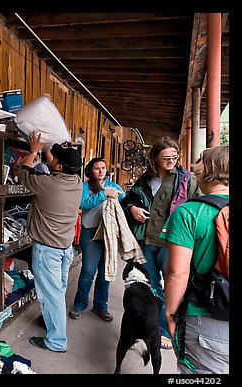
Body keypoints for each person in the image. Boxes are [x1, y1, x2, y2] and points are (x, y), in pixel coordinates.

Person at [121, 136, 199, 350]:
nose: (171, 160)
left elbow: (197, 206)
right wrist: (132, 209)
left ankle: (167, 331)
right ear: (154, 158)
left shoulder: (186, 180)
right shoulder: (146, 178)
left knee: (174, 287)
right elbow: (128, 199)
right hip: (146, 239)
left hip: (172, 242)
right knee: (151, 287)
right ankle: (151, 328)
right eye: (166, 157)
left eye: (174, 156)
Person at [161, 145, 229, 374]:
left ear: (208, 169)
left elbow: (177, 273)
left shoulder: (189, 212)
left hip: (206, 317)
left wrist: (170, 315)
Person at [12, 132, 82, 353]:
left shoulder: (47, 184)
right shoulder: (77, 182)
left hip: (47, 251)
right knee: (57, 292)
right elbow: (51, 165)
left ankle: (56, 341)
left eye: (55, 158)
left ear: (59, 167)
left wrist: (33, 150)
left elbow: (20, 171)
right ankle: (54, 324)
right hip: (64, 248)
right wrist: (48, 148)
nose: (51, 158)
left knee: (51, 295)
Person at [69, 157, 126, 322]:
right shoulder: (85, 187)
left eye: (103, 168)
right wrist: (103, 194)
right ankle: (80, 304)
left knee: (105, 271)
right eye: (97, 168)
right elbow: (83, 204)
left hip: (109, 232)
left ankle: (101, 305)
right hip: (90, 231)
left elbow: (124, 206)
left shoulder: (115, 187)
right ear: (90, 171)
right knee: (88, 271)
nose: (101, 171)